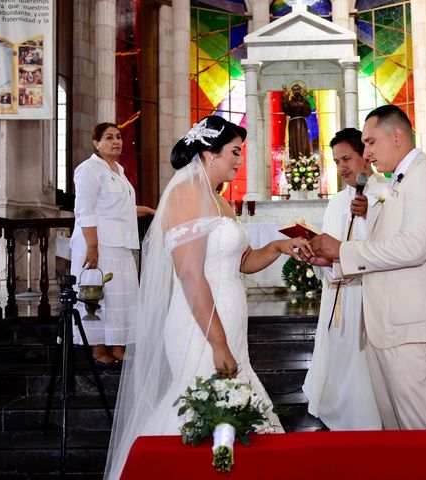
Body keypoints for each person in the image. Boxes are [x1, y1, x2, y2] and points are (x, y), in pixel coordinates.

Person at [104, 116, 314, 479]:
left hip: (228, 325)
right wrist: (217, 343)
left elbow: (242, 262)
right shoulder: (187, 195)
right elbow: (189, 273)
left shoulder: (220, 202)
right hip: (198, 327)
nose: (239, 160)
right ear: (208, 153)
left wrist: (279, 246)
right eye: (234, 152)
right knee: (199, 412)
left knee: (233, 417)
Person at [309, 105, 426, 430]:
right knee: (397, 436)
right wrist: (334, 260)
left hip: (412, 330)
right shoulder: (398, 184)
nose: (367, 153)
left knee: (422, 434)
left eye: (371, 143)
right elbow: (383, 249)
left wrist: (342, 251)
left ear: (397, 135)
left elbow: (413, 247)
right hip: (387, 329)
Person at [302, 128, 387, 430]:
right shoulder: (336, 202)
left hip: (367, 293)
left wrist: (368, 218)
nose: (342, 168)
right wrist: (318, 258)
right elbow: (330, 246)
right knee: (337, 350)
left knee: (361, 361)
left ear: (365, 154)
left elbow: (388, 248)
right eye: (337, 161)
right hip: (336, 291)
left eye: (347, 158)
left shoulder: (385, 193)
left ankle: (364, 417)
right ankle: (336, 408)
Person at [70, 123, 155, 365]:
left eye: (118, 137)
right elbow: (84, 211)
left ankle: (117, 346)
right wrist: (92, 247)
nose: (115, 141)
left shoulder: (119, 169)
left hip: (121, 243)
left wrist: (148, 210)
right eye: (108, 138)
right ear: (96, 143)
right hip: (98, 243)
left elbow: (121, 208)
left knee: (121, 298)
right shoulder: (88, 169)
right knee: (99, 295)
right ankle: (98, 348)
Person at [281, 82, 312, 159]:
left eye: (298, 89)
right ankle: (294, 159)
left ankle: (305, 159)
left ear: (301, 90)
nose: (296, 91)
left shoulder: (305, 102)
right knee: (294, 141)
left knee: (303, 141)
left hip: (302, 124)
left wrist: (302, 105)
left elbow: (308, 112)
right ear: (292, 91)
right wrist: (285, 97)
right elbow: (286, 110)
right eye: (294, 90)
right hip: (293, 124)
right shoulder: (290, 102)